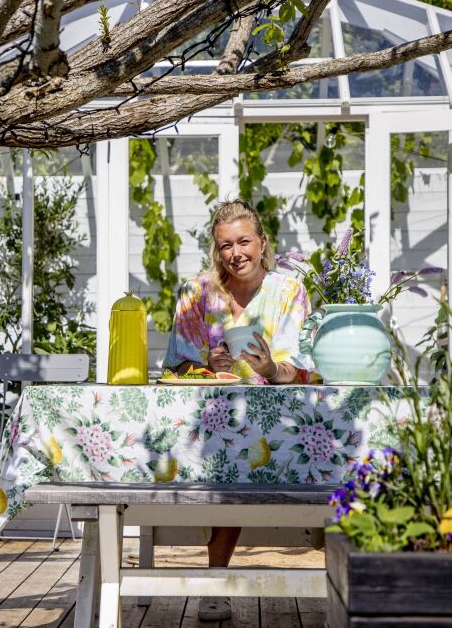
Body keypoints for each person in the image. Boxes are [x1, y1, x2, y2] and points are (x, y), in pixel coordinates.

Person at [163, 200, 314, 620]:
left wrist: (269, 368)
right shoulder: (197, 294)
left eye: (244, 241)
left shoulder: (289, 292)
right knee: (224, 443)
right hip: (212, 420)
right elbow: (176, 366)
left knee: (241, 443)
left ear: (262, 243)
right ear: (217, 250)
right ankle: (216, 580)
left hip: (280, 420)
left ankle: (220, 578)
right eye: (226, 245)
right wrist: (207, 367)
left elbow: (304, 368)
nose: (236, 253)